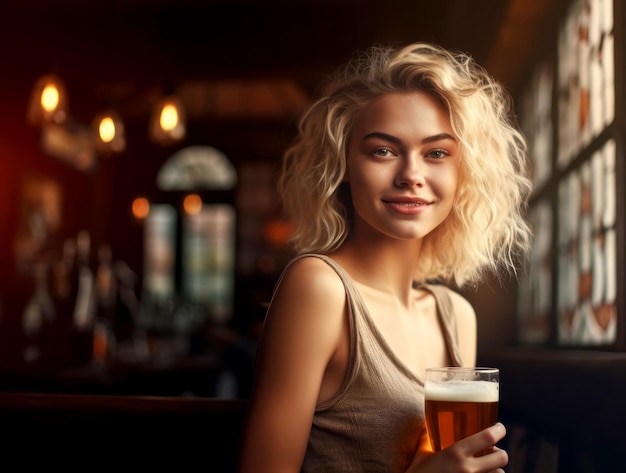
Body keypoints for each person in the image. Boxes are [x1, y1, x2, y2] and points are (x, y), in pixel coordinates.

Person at [238, 41, 532, 473]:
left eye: (436, 153)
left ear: (463, 171)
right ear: (343, 164)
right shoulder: (319, 288)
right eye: (383, 150)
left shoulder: (456, 316)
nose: (411, 175)